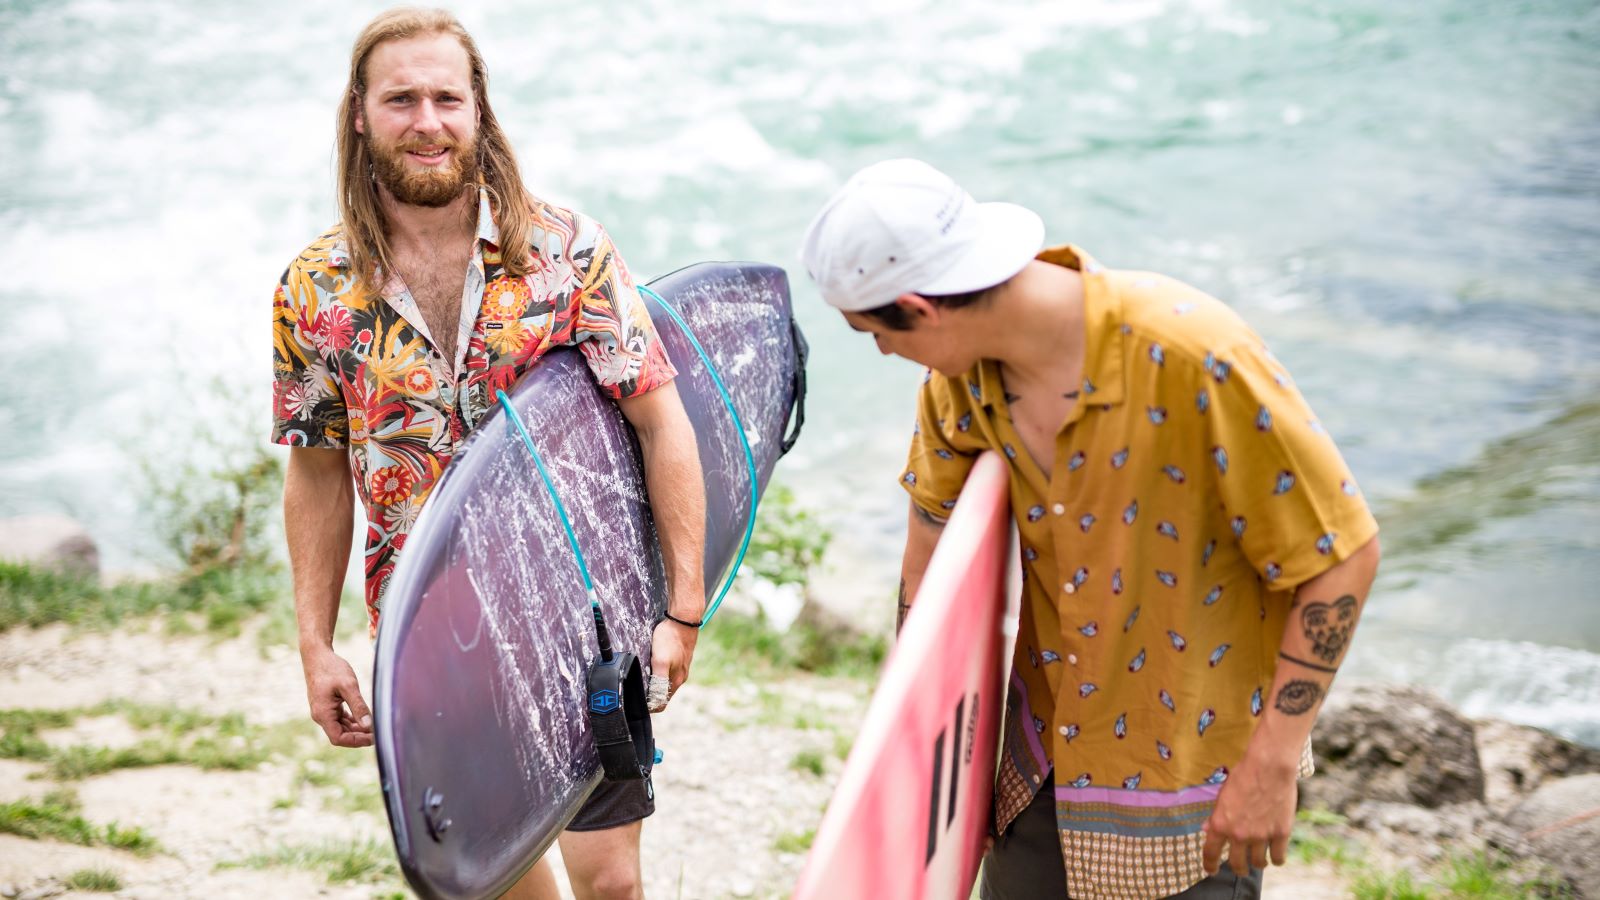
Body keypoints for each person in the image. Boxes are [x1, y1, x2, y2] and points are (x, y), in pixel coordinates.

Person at [799, 159, 1381, 899]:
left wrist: (1271, 766)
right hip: (1034, 770)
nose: (882, 351)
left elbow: (1342, 557)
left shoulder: (1196, 359)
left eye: (874, 332)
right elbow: (930, 576)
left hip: (1193, 784)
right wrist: (928, 767)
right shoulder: (958, 388)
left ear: (921, 306)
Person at [271, 8, 707, 899]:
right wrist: (315, 645)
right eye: (401, 100)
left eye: (445, 97)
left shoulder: (565, 251)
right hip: (433, 639)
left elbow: (663, 420)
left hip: (578, 622)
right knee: (497, 879)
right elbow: (316, 468)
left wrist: (685, 608)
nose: (426, 122)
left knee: (613, 883)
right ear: (360, 114)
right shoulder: (313, 290)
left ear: (478, 111)